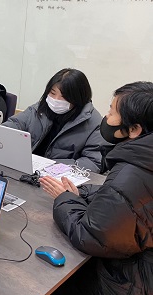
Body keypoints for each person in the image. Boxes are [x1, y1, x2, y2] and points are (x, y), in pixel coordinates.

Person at [40, 81, 153, 294]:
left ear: (134, 129)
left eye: (112, 112)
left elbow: (89, 236)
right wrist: (81, 193)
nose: (106, 118)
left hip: (127, 279)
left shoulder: (131, 174)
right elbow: (126, 201)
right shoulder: (142, 163)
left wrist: (65, 199)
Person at [0, 68, 105, 172]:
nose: (55, 100)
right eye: (52, 93)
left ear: (78, 97)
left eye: (64, 97)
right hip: (28, 171)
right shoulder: (40, 108)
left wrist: (54, 167)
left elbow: (93, 162)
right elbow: (16, 123)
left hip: (57, 180)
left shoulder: (93, 122)